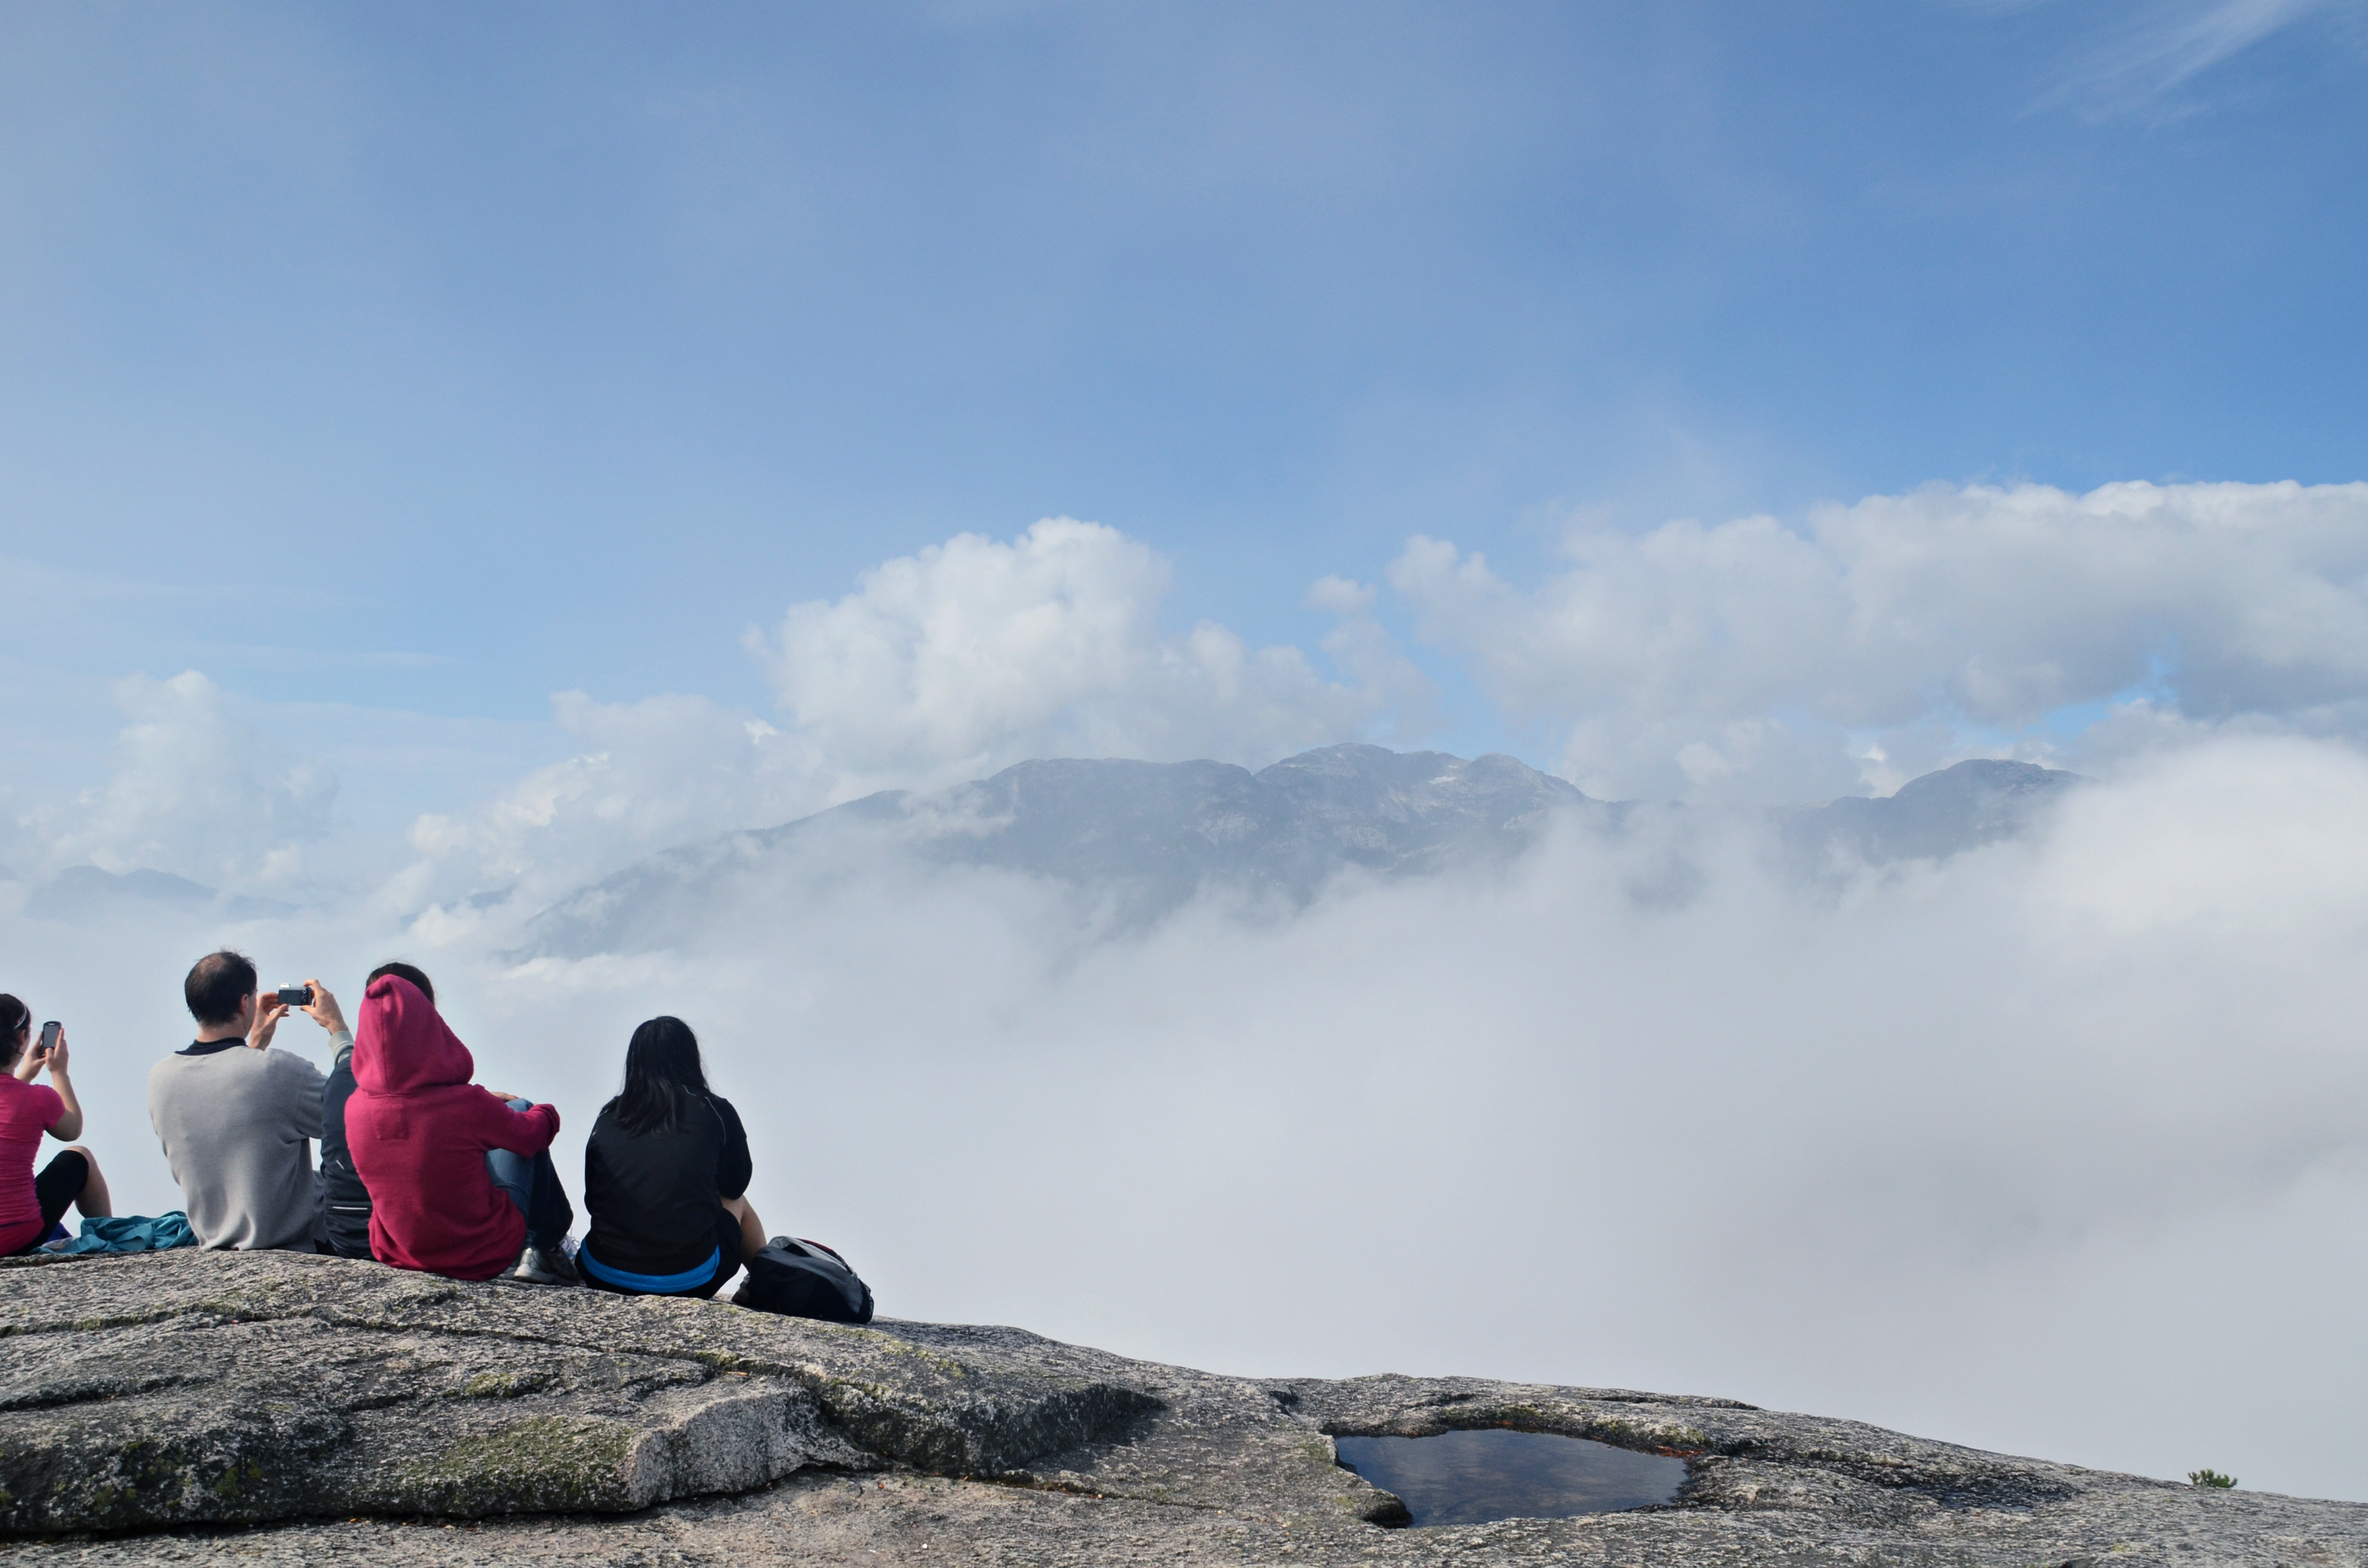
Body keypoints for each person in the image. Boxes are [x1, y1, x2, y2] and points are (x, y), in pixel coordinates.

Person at [345, 970, 577, 1284]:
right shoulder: (465, 1104)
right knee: (521, 1110)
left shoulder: (355, 1108)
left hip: (401, 1253)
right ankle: (546, 1249)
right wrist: (545, 1111)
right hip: (479, 1253)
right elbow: (533, 1136)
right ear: (430, 1024)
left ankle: (546, 1249)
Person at [147, 951, 345, 1252]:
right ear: (244, 1003)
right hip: (296, 1242)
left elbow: (229, 1100)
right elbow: (358, 1114)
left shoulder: (160, 1078)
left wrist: (255, 1043)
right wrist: (337, 1027)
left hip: (214, 1239)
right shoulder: (280, 1071)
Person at [578, 1016, 764, 1299]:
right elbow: (735, 1185)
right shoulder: (715, 1110)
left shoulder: (609, 1115)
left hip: (601, 1273)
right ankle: (764, 1282)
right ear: (690, 1057)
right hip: (688, 1281)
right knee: (737, 1201)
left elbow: (593, 1198)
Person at [317, 960, 440, 1260]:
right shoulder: (435, 1082)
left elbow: (355, 1064)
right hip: (412, 1243)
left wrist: (336, 1027)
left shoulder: (341, 1078)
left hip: (347, 1239)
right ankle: (538, 1251)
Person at [0, 995, 112, 1254]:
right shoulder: (39, 1099)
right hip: (17, 1235)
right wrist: (58, 1072)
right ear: (22, 1038)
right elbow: (72, 1130)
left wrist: (25, 1074)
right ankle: (110, 1238)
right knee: (79, 1157)